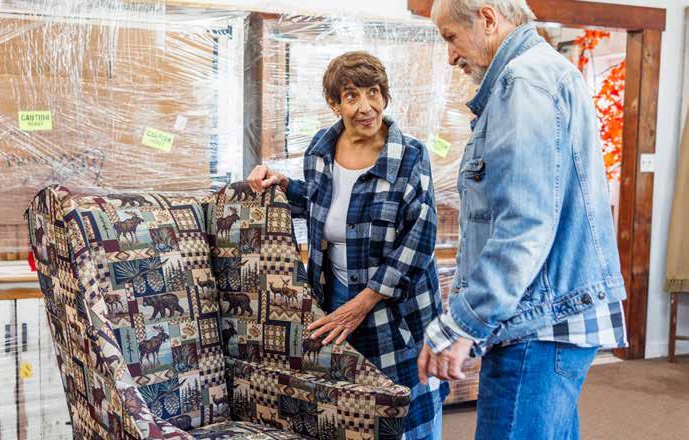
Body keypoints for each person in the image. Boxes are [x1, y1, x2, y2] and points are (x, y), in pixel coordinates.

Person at [417, 1, 628, 439]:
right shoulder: (543, 71)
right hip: (550, 318)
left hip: (537, 325)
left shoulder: (523, 81)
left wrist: (464, 322)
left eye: (451, 37)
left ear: (487, 19)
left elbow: (524, 225)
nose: (451, 56)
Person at [247, 51, 447, 440]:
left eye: (374, 93)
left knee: (407, 410)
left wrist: (363, 303)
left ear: (385, 95)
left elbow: (419, 240)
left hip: (395, 306)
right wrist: (283, 185)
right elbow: (324, 205)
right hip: (335, 296)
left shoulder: (410, 156)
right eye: (352, 96)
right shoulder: (320, 151)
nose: (366, 107)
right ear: (334, 104)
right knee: (351, 407)